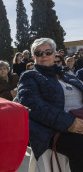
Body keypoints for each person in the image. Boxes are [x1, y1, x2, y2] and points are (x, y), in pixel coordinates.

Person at [17, 38, 83, 171]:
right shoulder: (30, 76)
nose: (44, 56)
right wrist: (69, 122)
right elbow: (34, 106)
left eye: (48, 52)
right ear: (33, 57)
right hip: (52, 130)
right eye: (38, 53)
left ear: (55, 54)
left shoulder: (67, 75)